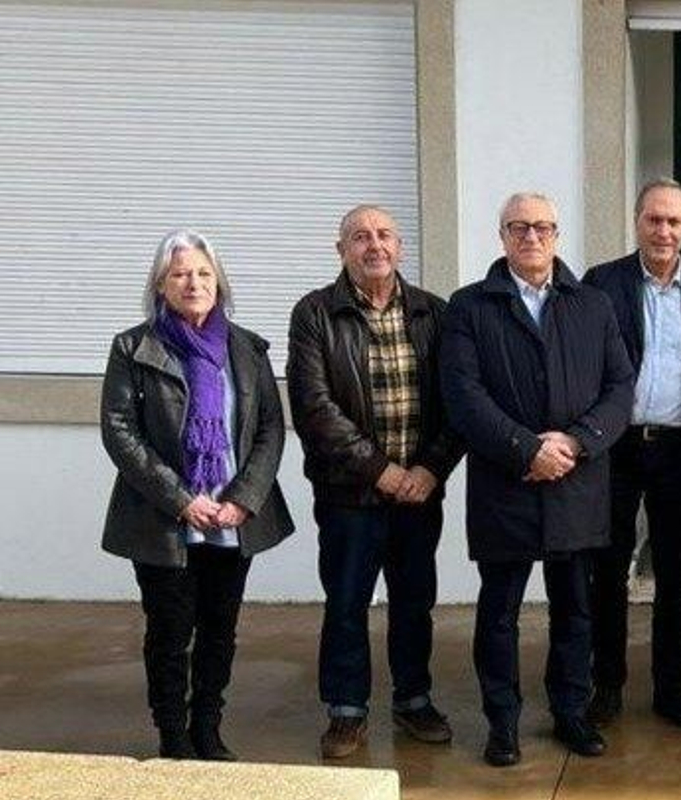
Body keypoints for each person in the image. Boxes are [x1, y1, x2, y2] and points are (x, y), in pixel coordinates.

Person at [440, 192, 634, 766]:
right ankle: (503, 722)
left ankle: (571, 710)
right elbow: (463, 395)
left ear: (557, 235)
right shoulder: (470, 307)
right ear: (501, 236)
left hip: (577, 481)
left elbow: (619, 388)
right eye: (519, 228)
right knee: (500, 612)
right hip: (507, 484)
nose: (532, 237)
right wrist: (527, 449)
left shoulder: (593, 305)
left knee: (575, 608)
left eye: (543, 227)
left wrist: (574, 442)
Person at [100, 229, 294, 760]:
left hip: (232, 516)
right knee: (169, 631)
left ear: (219, 282)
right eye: (181, 273)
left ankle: (208, 727)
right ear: (161, 285)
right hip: (165, 519)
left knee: (218, 629)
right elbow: (121, 431)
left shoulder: (247, 349)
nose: (194, 282)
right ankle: (173, 736)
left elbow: (270, 429)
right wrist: (182, 499)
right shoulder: (133, 347)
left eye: (204, 273)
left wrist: (243, 498)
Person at [287, 205, 464, 760]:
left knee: (415, 601)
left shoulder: (433, 313)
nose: (374, 245)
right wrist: (382, 471)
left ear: (401, 247)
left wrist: (429, 470)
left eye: (384, 235)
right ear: (340, 249)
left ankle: (413, 699)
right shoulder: (316, 314)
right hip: (350, 495)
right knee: (347, 602)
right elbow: (315, 408)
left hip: (418, 492)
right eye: (360, 236)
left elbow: (454, 404)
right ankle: (346, 711)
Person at [582, 178, 681, 730]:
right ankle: (608, 687)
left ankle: (671, 689)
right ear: (637, 221)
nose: (663, 231)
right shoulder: (603, 284)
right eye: (654, 219)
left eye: (673, 221)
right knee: (609, 570)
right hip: (616, 449)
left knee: (674, 577)